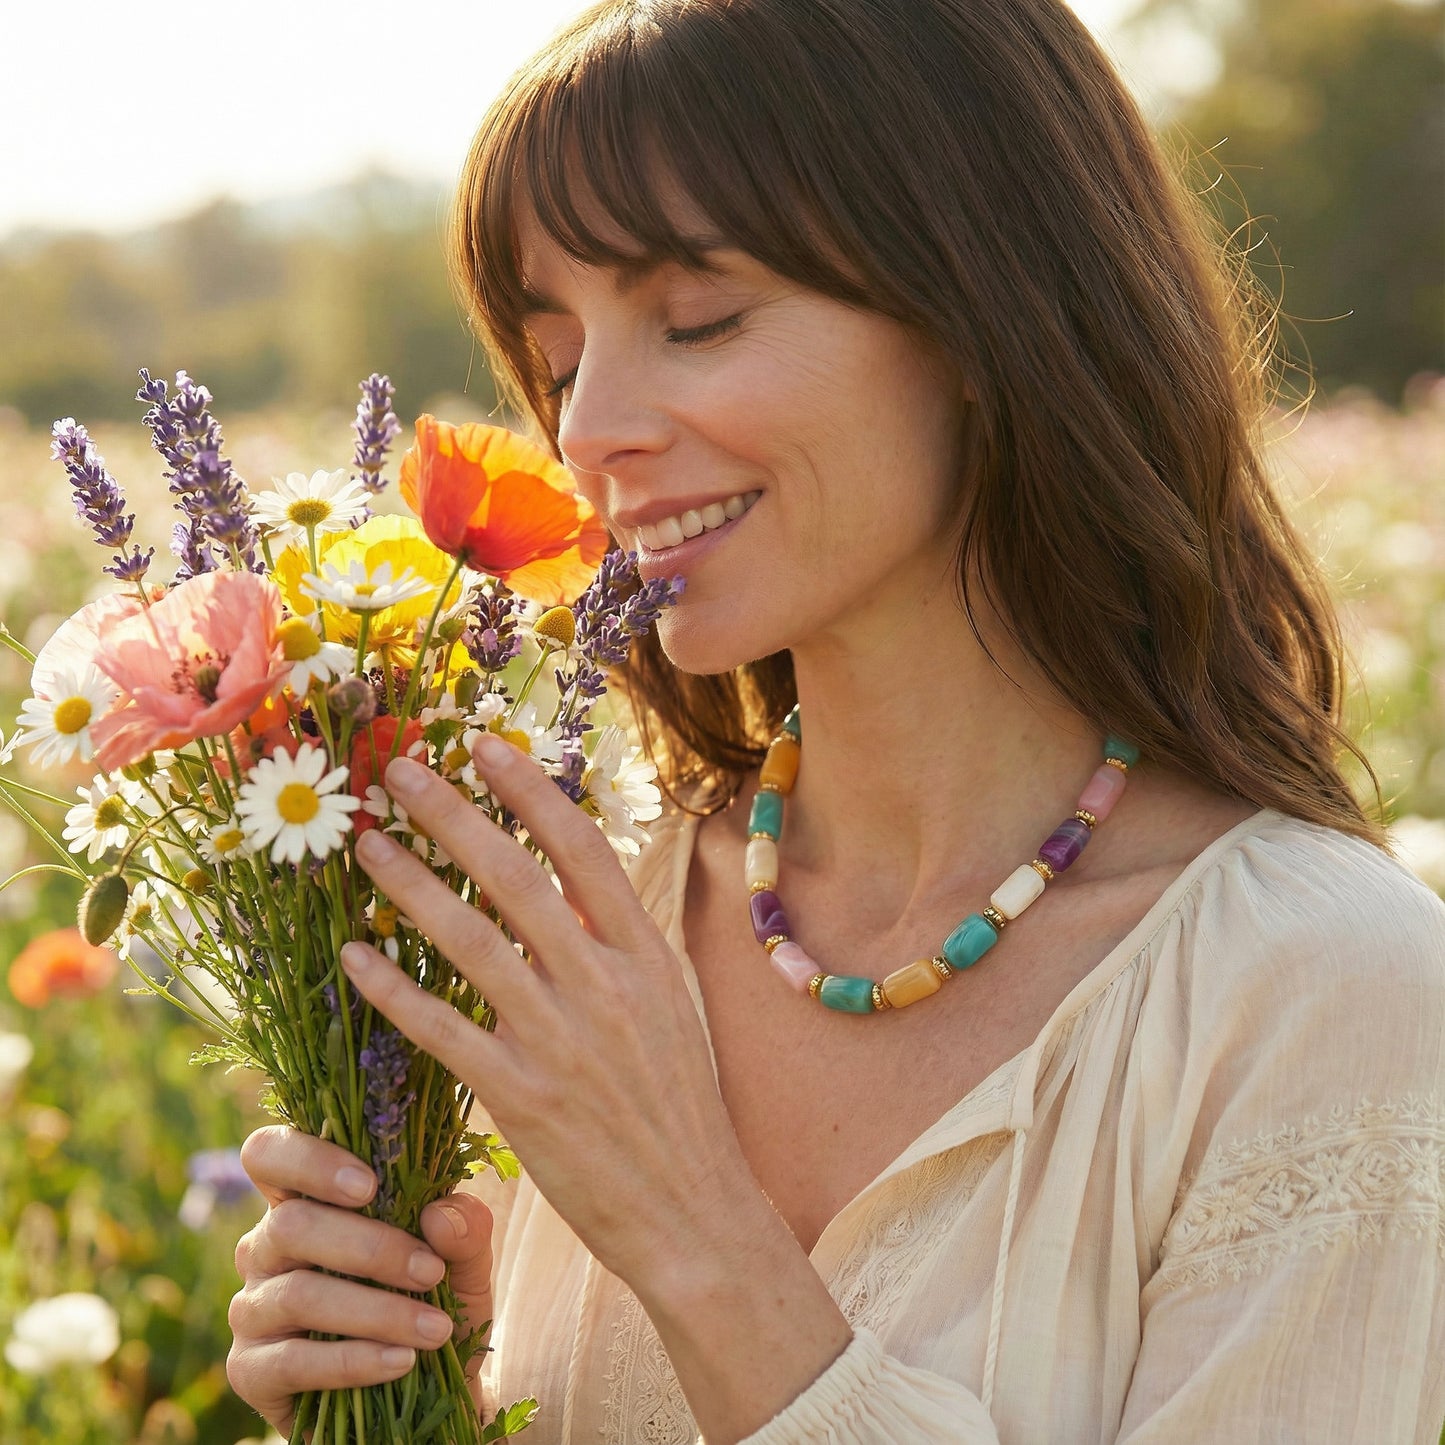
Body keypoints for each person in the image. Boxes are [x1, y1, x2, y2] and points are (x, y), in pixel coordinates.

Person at [224, 1, 1445, 1440]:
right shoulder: (582, 899)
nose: (585, 428)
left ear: (988, 307)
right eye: (556, 358)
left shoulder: (1323, 994)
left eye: (698, 318)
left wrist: (695, 1233)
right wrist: (433, 1388)